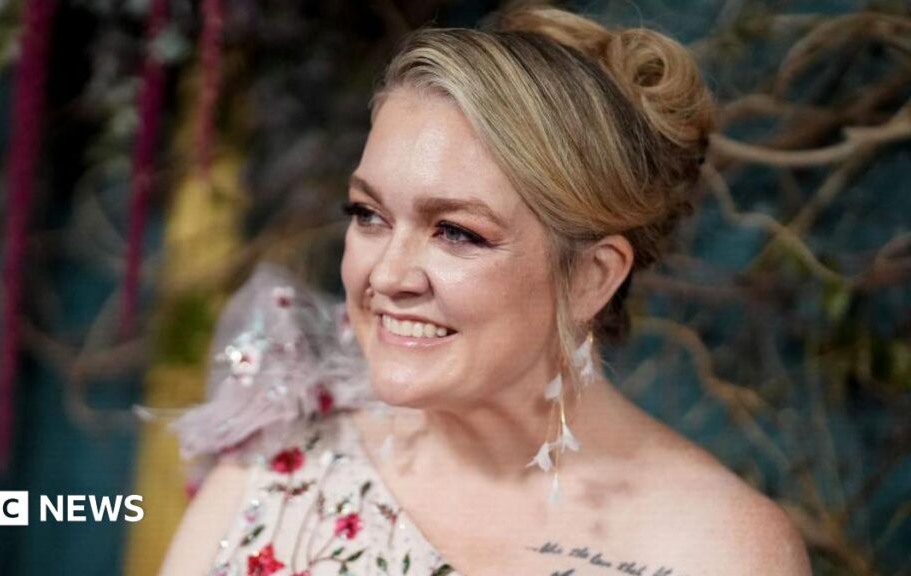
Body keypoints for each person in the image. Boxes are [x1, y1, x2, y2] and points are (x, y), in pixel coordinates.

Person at [160, 4, 813, 575]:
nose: (386, 276)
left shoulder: (719, 551)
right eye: (369, 215)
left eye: (457, 233)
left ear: (593, 276)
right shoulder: (280, 467)